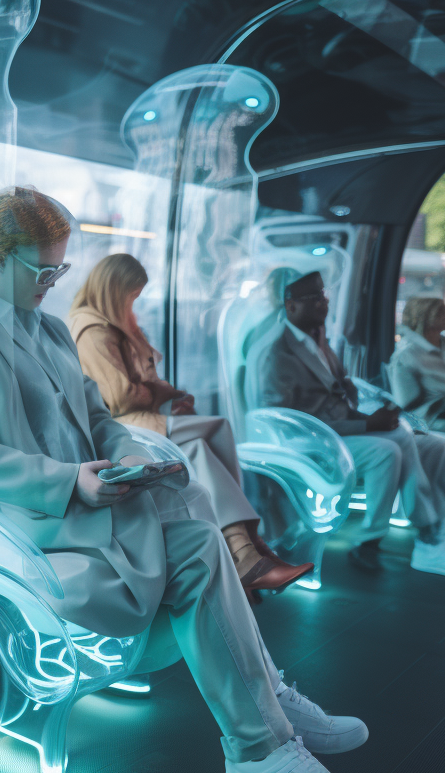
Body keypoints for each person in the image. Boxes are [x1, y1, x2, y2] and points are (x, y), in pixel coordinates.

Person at [0, 187, 373, 773]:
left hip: (84, 504)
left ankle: (261, 728)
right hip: (31, 525)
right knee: (199, 536)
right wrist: (73, 480)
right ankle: (262, 727)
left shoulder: (48, 329)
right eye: (44, 269)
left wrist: (127, 458)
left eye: (59, 269)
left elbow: (98, 415)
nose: (53, 281)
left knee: (190, 498)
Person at [68, 253, 311, 597]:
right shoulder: (92, 329)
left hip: (137, 419)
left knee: (199, 446)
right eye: (132, 294)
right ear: (114, 289)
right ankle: (252, 546)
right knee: (219, 428)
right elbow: (118, 396)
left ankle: (244, 554)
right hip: (123, 427)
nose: (134, 302)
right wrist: (166, 394)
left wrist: (167, 397)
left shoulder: (112, 323)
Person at [248, 271, 445, 579]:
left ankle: (438, 530)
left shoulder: (317, 338)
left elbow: (342, 389)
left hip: (345, 426)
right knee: (388, 449)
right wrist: (369, 424)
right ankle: (408, 538)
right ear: (289, 306)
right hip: (315, 441)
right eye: (314, 298)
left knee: (433, 445)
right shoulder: (276, 353)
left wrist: (371, 414)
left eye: (324, 295)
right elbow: (288, 421)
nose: (324, 303)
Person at [389, 296, 445, 450]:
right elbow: (406, 402)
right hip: (432, 418)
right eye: (442, 310)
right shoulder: (407, 355)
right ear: (427, 317)